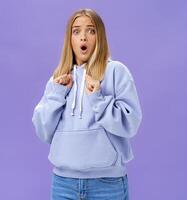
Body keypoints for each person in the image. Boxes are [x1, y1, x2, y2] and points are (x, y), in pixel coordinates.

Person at [32, 8, 142, 200]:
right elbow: (43, 130)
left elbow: (130, 123)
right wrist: (57, 94)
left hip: (106, 184)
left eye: (91, 30)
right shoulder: (58, 79)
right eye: (76, 31)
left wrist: (98, 98)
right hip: (63, 184)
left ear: (100, 37)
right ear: (70, 39)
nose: (83, 37)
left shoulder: (116, 71)